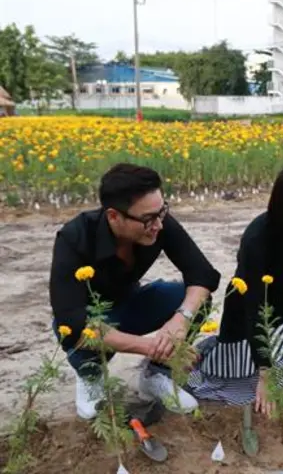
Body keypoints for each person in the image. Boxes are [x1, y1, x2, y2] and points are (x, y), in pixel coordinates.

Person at [49, 163, 221, 420]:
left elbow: (202, 274)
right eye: (148, 219)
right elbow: (71, 321)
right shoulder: (75, 238)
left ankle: (156, 374)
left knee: (192, 299)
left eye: (162, 212)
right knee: (69, 328)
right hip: (94, 321)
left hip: (132, 304)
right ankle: (91, 376)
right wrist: (150, 346)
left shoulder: (157, 222)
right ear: (114, 216)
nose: (158, 225)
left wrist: (181, 320)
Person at [188, 162, 283, 415]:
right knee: (257, 390)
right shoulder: (257, 239)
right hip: (247, 316)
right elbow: (254, 307)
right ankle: (207, 355)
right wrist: (265, 373)